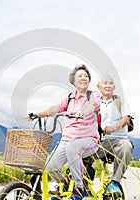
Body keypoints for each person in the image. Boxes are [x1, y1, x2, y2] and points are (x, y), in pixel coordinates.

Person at [29, 64, 101, 200]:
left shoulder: (93, 94)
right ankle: (66, 186)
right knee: (50, 168)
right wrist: (38, 114)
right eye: (80, 75)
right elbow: (55, 108)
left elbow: (94, 105)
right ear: (73, 80)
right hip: (67, 139)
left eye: (86, 76)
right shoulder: (69, 97)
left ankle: (79, 188)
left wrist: (84, 112)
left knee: (72, 148)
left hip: (89, 140)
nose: (84, 78)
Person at [97, 75, 134, 196]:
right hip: (97, 141)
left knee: (126, 146)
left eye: (110, 83)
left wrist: (113, 128)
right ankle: (76, 184)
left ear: (114, 87)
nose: (107, 85)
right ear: (98, 86)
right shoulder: (94, 103)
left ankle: (115, 182)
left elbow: (126, 118)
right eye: (104, 83)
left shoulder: (120, 101)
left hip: (117, 140)